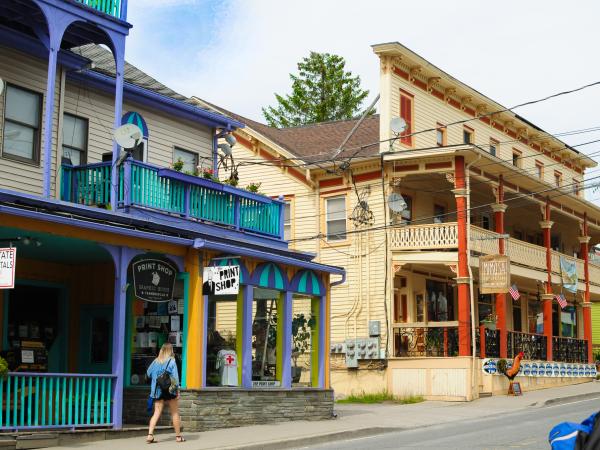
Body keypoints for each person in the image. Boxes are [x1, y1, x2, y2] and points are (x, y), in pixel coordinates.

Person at [146, 343, 185, 443]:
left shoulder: (155, 361)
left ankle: (150, 435)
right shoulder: (172, 361)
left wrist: (157, 376)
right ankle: (178, 437)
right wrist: (177, 392)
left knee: (156, 413)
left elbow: (148, 373)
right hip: (170, 391)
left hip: (157, 391)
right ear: (170, 351)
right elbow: (175, 379)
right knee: (175, 413)